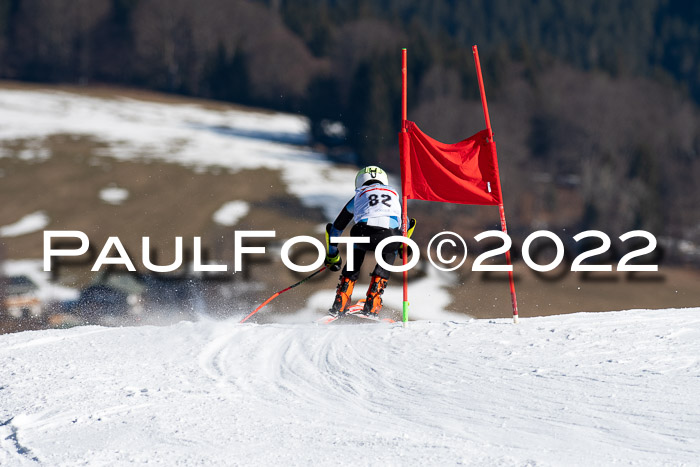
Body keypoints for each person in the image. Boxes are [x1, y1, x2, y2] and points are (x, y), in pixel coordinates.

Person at [324, 166, 415, 318]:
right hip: (389, 238)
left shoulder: (359, 195)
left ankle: (342, 300)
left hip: (362, 234)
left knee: (357, 241)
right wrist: (403, 245)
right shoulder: (394, 195)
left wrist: (332, 255)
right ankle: (373, 301)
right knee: (392, 244)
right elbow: (406, 226)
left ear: (359, 182)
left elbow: (336, 229)